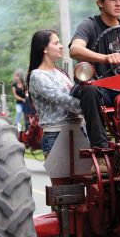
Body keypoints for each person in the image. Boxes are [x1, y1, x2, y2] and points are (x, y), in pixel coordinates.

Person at [69, 0, 120, 150]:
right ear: (100, 2)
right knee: (88, 89)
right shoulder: (90, 25)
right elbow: (75, 50)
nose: (118, 3)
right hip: (98, 89)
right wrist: (105, 58)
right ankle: (100, 150)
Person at [27, 29, 82, 158]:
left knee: (86, 178)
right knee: (63, 179)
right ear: (45, 49)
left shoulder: (61, 73)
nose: (61, 46)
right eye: (56, 43)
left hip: (79, 132)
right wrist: (90, 106)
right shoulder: (38, 75)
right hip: (56, 135)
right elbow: (61, 99)